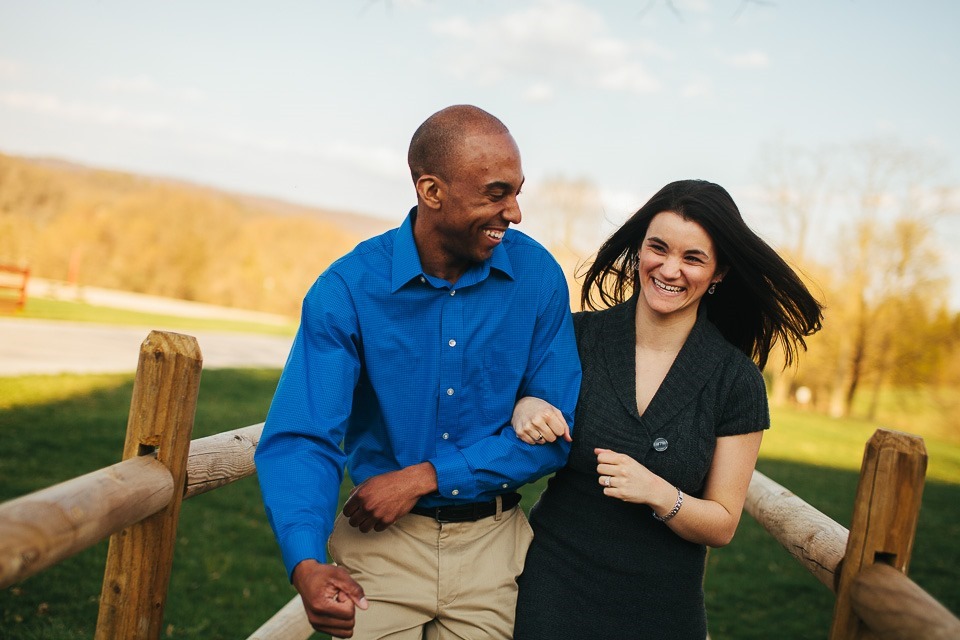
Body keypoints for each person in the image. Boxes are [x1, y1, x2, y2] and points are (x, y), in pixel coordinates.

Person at [254, 104, 581, 639]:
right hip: (380, 550)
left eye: (518, 191)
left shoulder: (538, 278)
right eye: (496, 193)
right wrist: (306, 561)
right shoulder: (348, 290)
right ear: (431, 192)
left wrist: (425, 476)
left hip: (493, 553)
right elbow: (302, 436)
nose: (515, 212)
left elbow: (556, 433)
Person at [511, 179, 823, 639]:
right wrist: (525, 404)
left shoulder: (736, 382)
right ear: (639, 250)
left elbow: (722, 523)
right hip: (550, 592)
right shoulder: (577, 337)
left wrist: (658, 492)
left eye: (693, 258)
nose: (670, 268)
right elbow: (505, 404)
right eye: (659, 248)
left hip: (661, 611)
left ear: (718, 274)